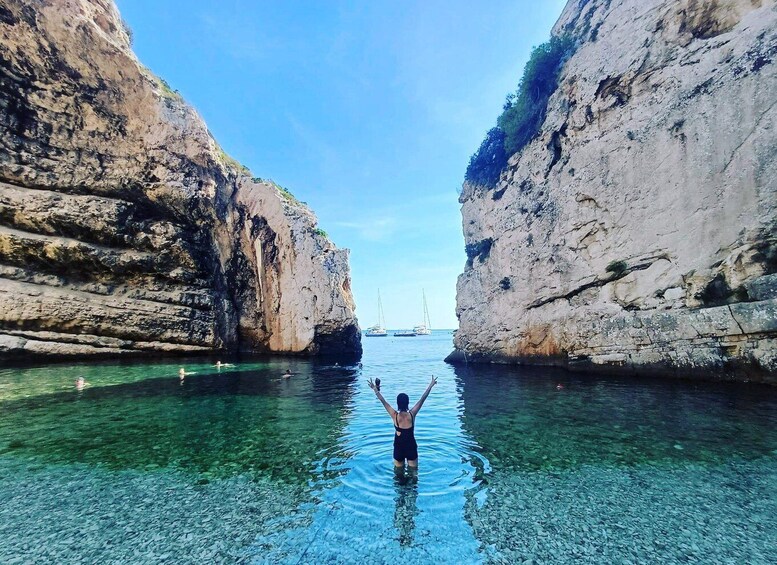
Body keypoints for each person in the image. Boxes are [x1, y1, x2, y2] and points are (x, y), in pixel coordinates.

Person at [367, 375, 438, 468]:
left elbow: (383, 401)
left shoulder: (395, 415)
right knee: (413, 474)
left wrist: (375, 389)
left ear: (397, 403)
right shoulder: (412, 414)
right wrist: (431, 385)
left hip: (399, 448)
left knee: (398, 475)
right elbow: (422, 399)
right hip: (411, 447)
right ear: (408, 403)